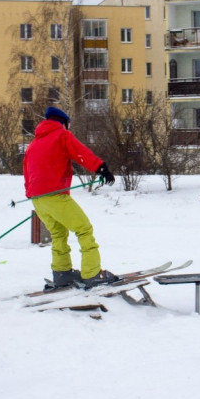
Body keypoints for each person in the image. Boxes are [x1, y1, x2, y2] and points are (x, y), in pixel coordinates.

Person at [23, 106, 117, 289]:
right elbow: (80, 152)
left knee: (58, 233)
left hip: (37, 199)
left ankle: (62, 273)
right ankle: (92, 274)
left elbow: (27, 172)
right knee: (84, 229)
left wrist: (32, 194)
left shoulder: (33, 144)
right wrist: (101, 168)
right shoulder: (61, 135)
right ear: (63, 122)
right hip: (55, 195)